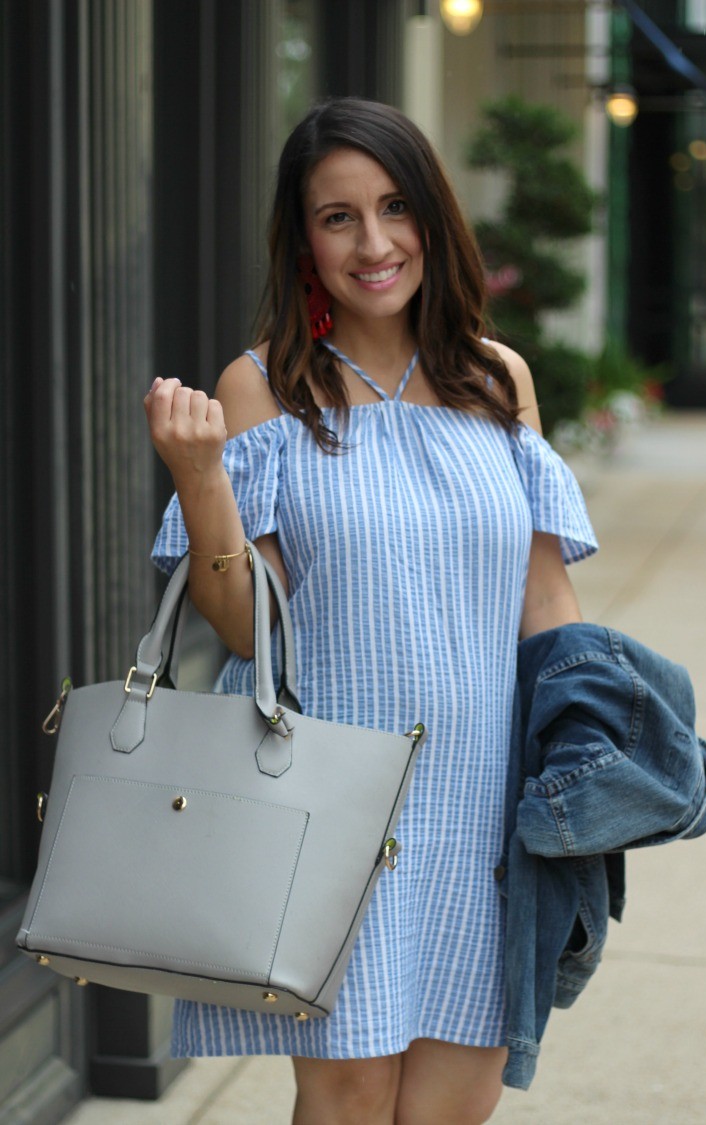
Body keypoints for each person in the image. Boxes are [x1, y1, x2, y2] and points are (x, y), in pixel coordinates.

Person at [144, 97, 597, 1125]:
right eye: (337, 216)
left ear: (434, 217)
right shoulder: (261, 389)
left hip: (485, 805)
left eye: (395, 207)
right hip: (335, 804)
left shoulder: (496, 380)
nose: (375, 242)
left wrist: (598, 751)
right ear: (302, 240)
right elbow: (246, 626)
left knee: (456, 1101)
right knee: (348, 1098)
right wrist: (199, 474)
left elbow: (550, 608)